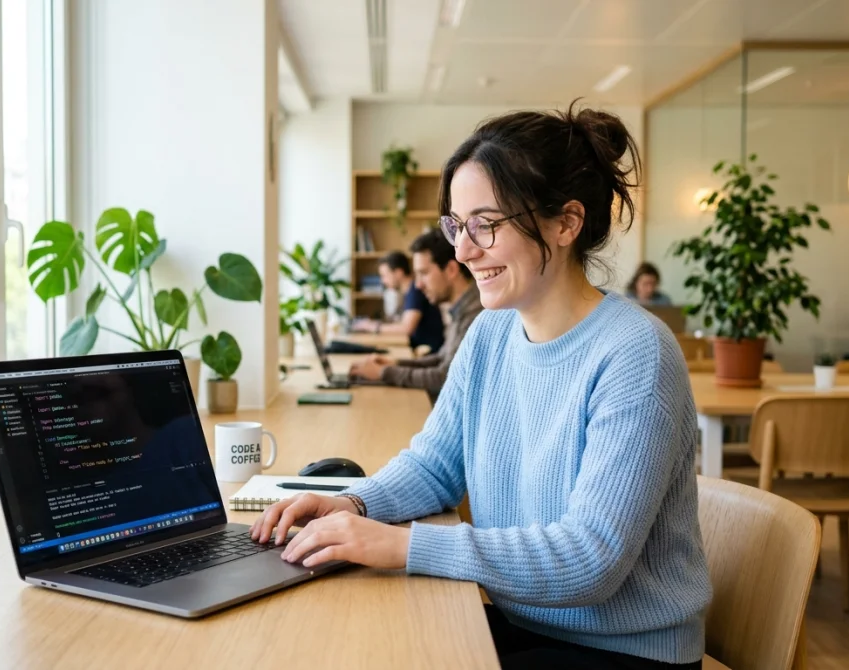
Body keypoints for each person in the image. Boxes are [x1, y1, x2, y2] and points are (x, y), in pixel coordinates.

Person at [252, 103, 710, 669]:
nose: (463, 251)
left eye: (485, 225)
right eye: (456, 226)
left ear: (566, 222)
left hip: (623, 650)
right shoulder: (492, 332)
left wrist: (403, 545)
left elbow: (591, 559)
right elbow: (436, 465)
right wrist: (352, 502)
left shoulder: (636, 353)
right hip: (525, 620)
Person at [348, 231, 482, 401]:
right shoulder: (462, 308)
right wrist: (394, 363)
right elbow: (441, 359)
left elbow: (444, 377)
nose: (418, 284)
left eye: (424, 273)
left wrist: (384, 373)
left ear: (451, 270)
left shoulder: (475, 314)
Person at [351, 251, 445, 353]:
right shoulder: (409, 292)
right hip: (419, 349)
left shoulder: (415, 291)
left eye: (384, 275)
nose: (383, 281)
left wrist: (372, 327)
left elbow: (406, 328)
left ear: (399, 273)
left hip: (428, 353)